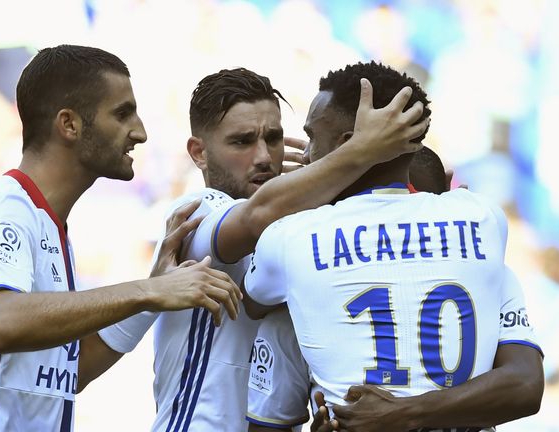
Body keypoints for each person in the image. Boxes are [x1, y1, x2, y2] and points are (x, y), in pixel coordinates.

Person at [0, 45, 246, 432]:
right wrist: (147, 291)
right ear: (69, 124)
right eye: (122, 113)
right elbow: (2, 322)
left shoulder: (51, 228)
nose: (139, 132)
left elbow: (65, 375)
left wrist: (153, 295)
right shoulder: (1, 208)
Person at [94, 67, 429, 431]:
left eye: (273, 138)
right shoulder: (200, 212)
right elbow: (257, 217)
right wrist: (358, 153)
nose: (264, 157)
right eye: (242, 141)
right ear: (199, 153)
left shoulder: (299, 233)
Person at [243, 62, 544, 432]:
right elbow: (527, 386)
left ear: (350, 144)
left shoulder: (290, 238)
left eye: (311, 138)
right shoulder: (481, 217)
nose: (304, 156)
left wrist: (399, 413)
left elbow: (253, 303)